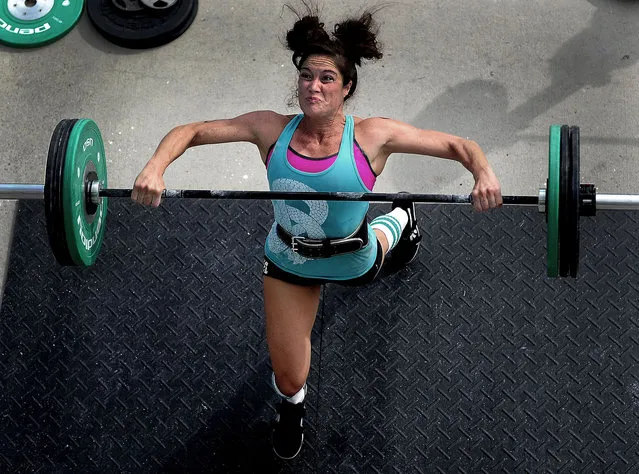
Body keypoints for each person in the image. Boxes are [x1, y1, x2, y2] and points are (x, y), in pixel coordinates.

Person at [131, 5, 503, 460]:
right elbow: (190, 132)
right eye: (307, 76)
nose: (314, 86)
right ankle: (292, 407)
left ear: (347, 87)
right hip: (290, 261)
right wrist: (155, 165)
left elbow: (458, 145)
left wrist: (482, 173)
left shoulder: (372, 136)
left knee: (383, 244)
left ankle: (401, 218)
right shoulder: (269, 129)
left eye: (327, 78)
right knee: (290, 377)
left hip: (353, 255)